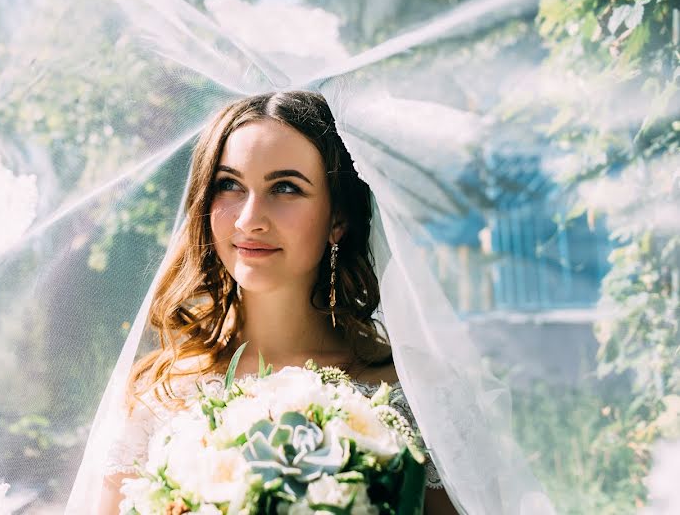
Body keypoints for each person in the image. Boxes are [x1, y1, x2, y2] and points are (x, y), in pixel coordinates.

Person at [94, 90, 458, 514]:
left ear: (337, 218)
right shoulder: (161, 397)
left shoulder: (406, 398)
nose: (250, 219)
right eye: (229, 185)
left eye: (285, 187)